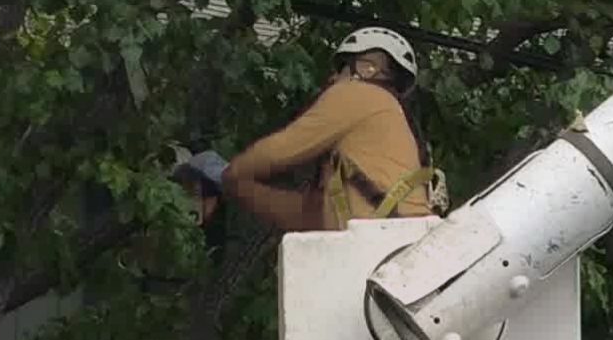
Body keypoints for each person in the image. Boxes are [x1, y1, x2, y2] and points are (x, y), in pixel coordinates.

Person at [186, 27, 443, 233]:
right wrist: (239, 188)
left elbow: (281, 151)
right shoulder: (392, 135)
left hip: (381, 239)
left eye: (340, 69)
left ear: (365, 68)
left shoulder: (358, 93)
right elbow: (310, 215)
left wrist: (227, 173)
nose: (333, 80)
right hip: (401, 241)